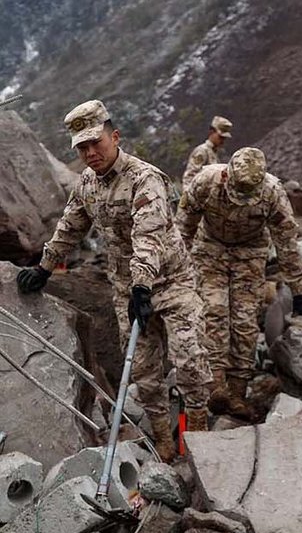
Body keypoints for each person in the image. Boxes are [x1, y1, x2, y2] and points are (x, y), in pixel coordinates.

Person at [17, 99, 211, 462]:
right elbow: (69, 227)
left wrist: (143, 286)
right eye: (82, 147)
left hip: (171, 282)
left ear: (115, 137)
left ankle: (198, 437)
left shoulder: (145, 179)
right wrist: (44, 268)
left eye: (96, 143)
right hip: (128, 288)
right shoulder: (87, 185)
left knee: (190, 361)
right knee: (144, 370)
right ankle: (164, 442)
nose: (91, 153)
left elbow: (148, 238)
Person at [176, 146, 302, 419]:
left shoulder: (273, 194)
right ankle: (216, 386)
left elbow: (287, 244)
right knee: (213, 311)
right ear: (226, 177)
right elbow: (183, 230)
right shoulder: (204, 182)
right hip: (210, 250)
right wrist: (174, 274)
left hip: (250, 253)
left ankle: (237, 394)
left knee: (244, 322)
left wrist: (299, 295)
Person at [182, 115, 233, 191]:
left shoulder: (214, 153)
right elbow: (190, 177)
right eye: (220, 137)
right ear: (212, 132)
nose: (222, 141)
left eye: (224, 138)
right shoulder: (202, 151)